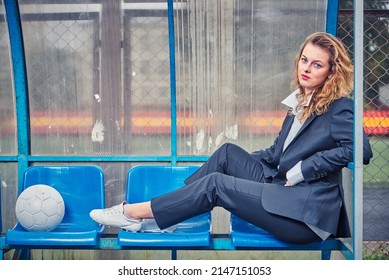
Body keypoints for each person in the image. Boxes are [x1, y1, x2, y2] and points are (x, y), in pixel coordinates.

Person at [90, 32, 373, 244]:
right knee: (227, 154)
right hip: (282, 190)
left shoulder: (339, 107)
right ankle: (168, 217)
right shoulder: (301, 102)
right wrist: (239, 171)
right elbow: (276, 156)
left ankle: (136, 214)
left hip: (304, 215)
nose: (306, 68)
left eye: (317, 65)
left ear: (332, 72)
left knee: (216, 185)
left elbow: (360, 150)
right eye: (304, 60)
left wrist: (305, 169)